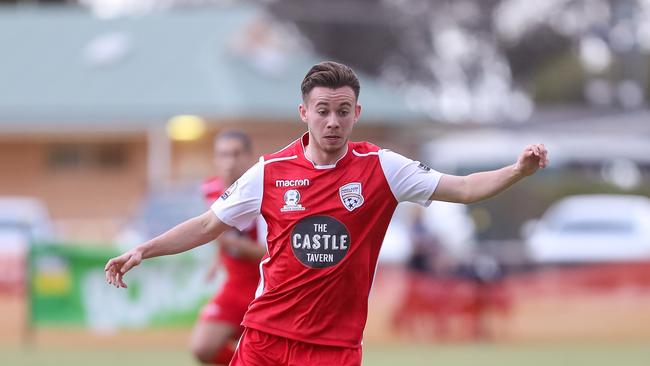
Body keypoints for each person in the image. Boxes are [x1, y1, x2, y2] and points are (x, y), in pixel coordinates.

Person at [105, 61, 548, 365]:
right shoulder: (269, 172)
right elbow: (206, 225)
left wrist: (517, 170)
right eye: (322, 111)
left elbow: (465, 188)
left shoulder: (383, 168)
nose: (332, 121)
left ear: (356, 113)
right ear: (305, 114)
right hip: (266, 338)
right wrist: (144, 248)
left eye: (342, 111)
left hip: (334, 347)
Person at [191, 131, 267, 365]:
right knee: (203, 347)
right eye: (223, 155)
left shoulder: (265, 191)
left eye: (236, 154)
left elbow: (273, 253)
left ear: (249, 157)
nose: (229, 162)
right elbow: (214, 229)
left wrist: (233, 245)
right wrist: (218, 257)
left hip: (266, 288)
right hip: (235, 284)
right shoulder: (210, 189)